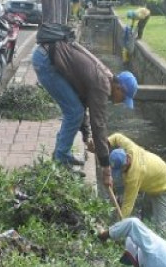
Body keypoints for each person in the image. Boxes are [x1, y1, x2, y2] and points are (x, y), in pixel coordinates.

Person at [32, 32, 138, 187]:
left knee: (75, 109)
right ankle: (60, 160)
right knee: (74, 112)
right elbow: (99, 125)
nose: (121, 102)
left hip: (46, 56)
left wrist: (86, 136)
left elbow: (82, 102)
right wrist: (106, 168)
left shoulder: (106, 79)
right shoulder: (103, 85)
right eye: (123, 98)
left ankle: (63, 155)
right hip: (46, 61)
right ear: (119, 88)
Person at [105, 133, 166, 231]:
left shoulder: (133, 177)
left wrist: (115, 228)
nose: (120, 173)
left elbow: (127, 206)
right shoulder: (129, 148)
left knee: (160, 227)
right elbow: (117, 137)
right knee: (146, 218)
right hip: (151, 181)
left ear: (126, 163)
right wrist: (106, 143)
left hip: (164, 187)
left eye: (120, 170)